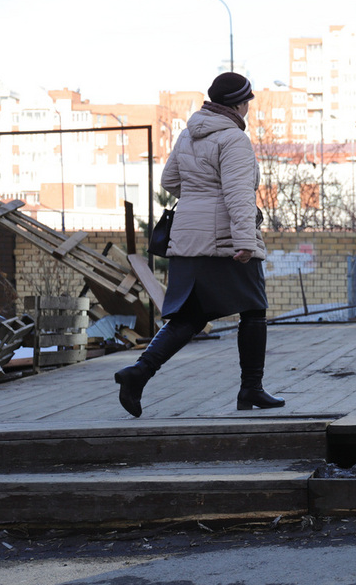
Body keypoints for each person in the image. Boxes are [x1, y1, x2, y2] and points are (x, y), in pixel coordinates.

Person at [115, 72, 285, 417]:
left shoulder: (188, 134)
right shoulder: (233, 139)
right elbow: (238, 195)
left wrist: (198, 199)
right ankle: (251, 388)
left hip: (187, 239)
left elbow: (169, 180)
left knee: (189, 317)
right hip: (224, 241)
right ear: (240, 104)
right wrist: (244, 240)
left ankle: (138, 373)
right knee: (253, 309)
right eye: (247, 102)